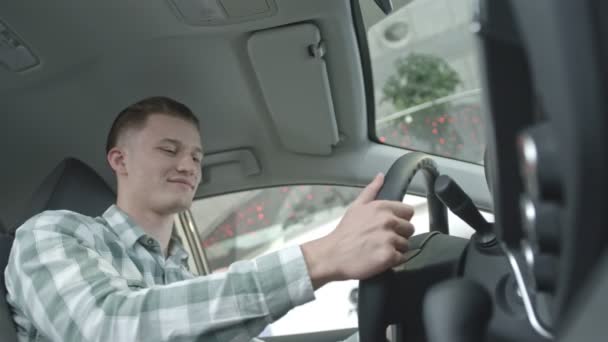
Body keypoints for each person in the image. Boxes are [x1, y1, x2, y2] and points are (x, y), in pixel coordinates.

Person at [5, 96, 415, 341]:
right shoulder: (50, 235)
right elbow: (109, 328)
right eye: (169, 150)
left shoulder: (186, 282)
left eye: (197, 156)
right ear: (119, 160)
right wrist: (322, 257)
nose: (189, 165)